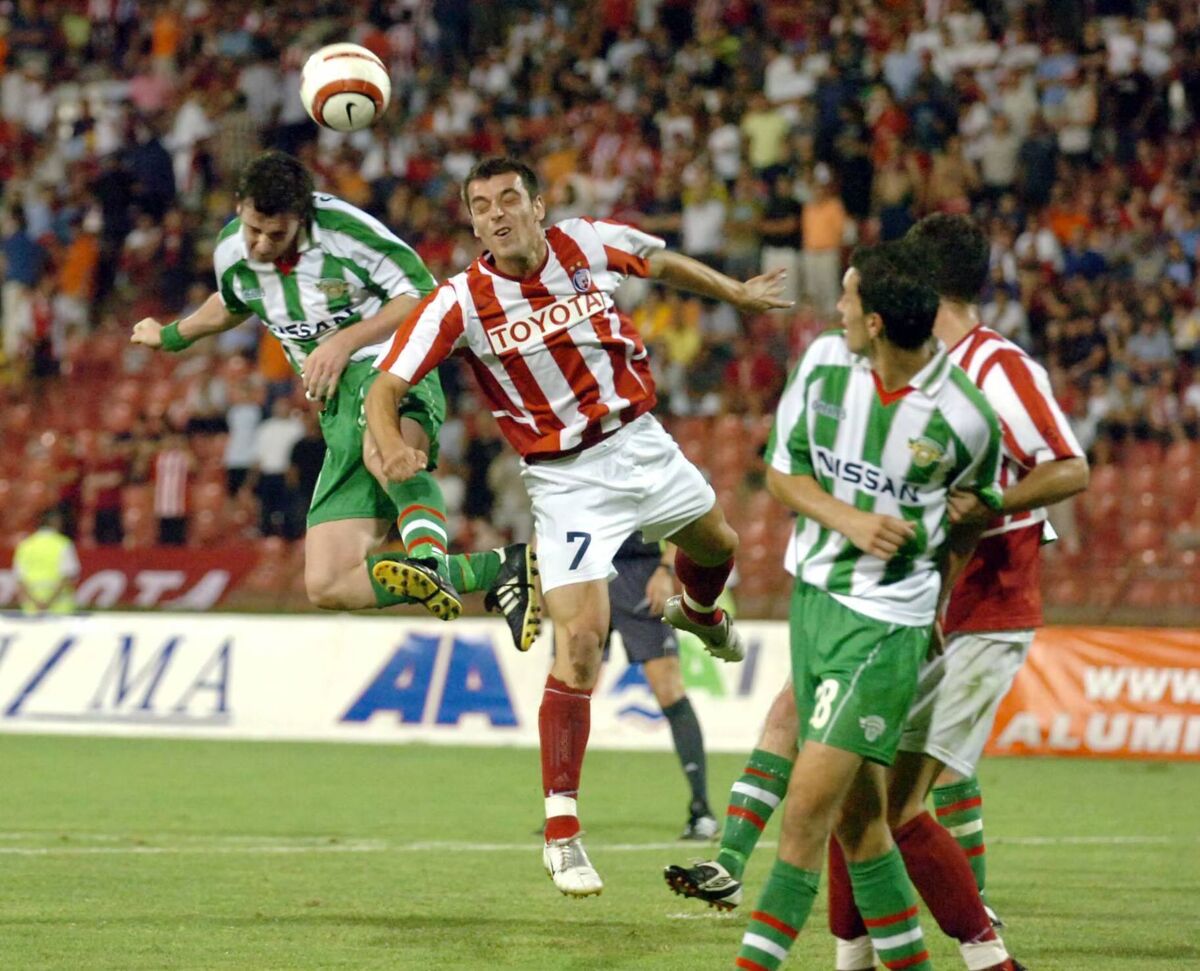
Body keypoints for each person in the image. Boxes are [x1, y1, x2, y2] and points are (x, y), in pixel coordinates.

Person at [366, 156, 790, 897]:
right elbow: (389, 381)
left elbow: (658, 260)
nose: (496, 214)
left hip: (641, 441)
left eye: (508, 199)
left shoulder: (585, 244)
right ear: (472, 220)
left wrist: (733, 292)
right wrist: (393, 440)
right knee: (583, 638)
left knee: (718, 545)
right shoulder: (459, 302)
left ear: (538, 203)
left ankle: (696, 610)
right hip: (566, 480)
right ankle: (562, 828)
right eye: (480, 206)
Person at [672, 215, 1084, 970]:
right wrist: (850, 520)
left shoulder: (986, 384)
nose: (839, 307)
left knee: (882, 804)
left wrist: (987, 507)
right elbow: (790, 469)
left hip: (966, 607)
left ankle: (984, 950)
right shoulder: (843, 365)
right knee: (860, 805)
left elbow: (1067, 467)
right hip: (855, 600)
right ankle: (859, 949)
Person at [130, 150, 537, 650]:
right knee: (327, 582)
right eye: (251, 227)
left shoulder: (346, 232)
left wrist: (343, 341)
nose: (258, 243)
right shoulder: (232, 251)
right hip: (332, 407)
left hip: (389, 365)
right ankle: (497, 568)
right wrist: (171, 335)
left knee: (384, 449)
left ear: (301, 218)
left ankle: (429, 561)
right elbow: (232, 302)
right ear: (239, 206)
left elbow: (422, 294)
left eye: (274, 235)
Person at [609, 533, 717, 840]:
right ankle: (560, 811)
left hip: (642, 570)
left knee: (669, 689)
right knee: (571, 686)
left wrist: (667, 569)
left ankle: (701, 808)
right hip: (583, 567)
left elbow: (684, 511)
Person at [13, 507, 80, 615]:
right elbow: (67, 577)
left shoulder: (25, 545)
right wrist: (48, 602)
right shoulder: (63, 544)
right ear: (57, 523)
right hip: (59, 608)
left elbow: (20, 579)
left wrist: (36, 603)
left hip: (32, 609)